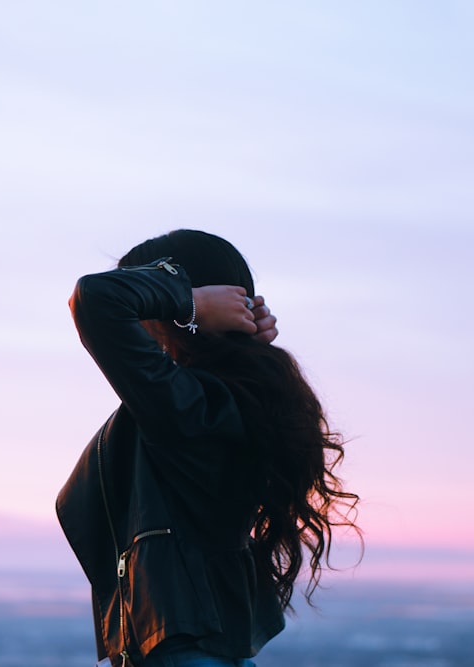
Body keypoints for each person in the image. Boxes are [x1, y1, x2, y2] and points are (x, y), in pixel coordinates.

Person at [56, 230, 360, 667]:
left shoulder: (193, 408)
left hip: (181, 653)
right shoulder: (222, 404)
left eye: (150, 303)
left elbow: (94, 298)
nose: (142, 322)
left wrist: (188, 304)